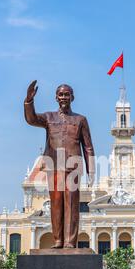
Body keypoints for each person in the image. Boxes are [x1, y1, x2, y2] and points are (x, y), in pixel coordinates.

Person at [24, 80, 95, 248]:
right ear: (56, 97)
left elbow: (88, 146)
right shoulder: (49, 118)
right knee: (56, 203)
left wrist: (91, 170)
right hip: (54, 165)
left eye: (67, 94)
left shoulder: (80, 120)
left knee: (72, 204)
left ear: (72, 97)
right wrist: (29, 101)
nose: (64, 97)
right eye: (61, 94)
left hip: (73, 166)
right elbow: (31, 119)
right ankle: (58, 240)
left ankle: (70, 241)